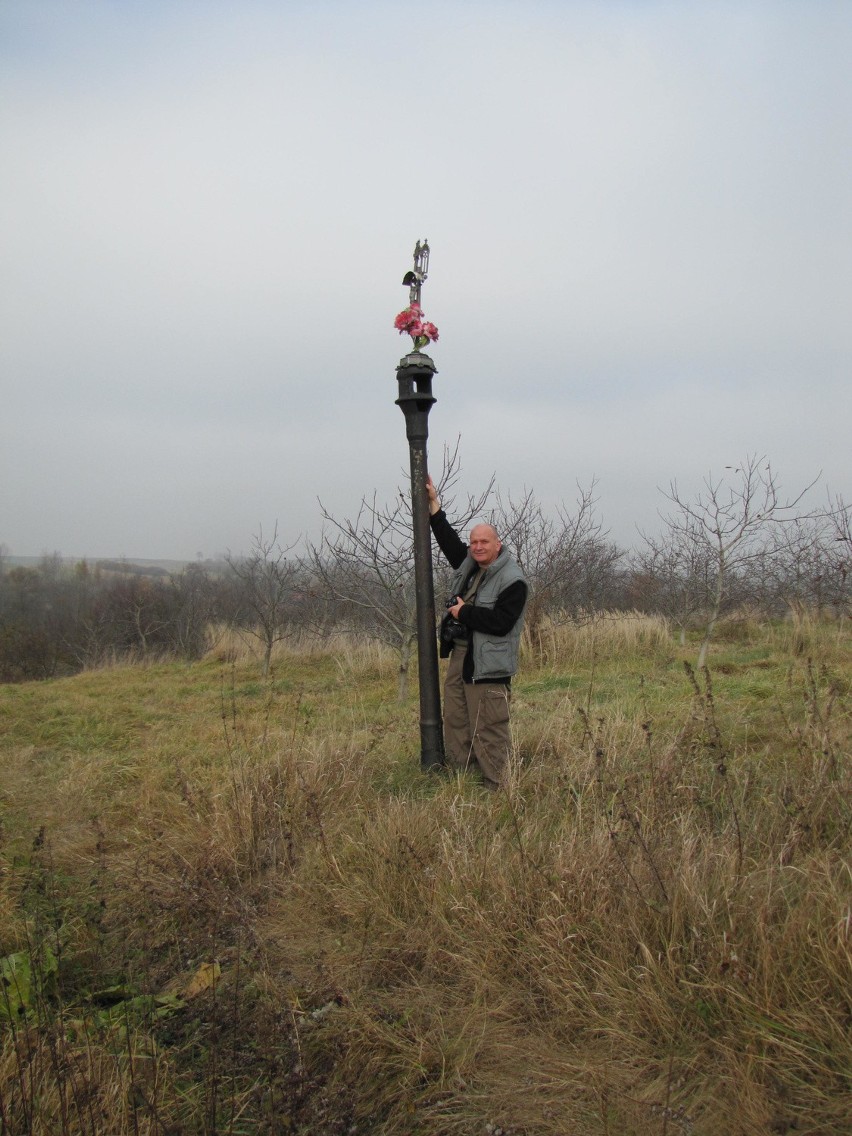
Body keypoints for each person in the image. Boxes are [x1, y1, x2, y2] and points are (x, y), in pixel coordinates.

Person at [426, 476, 528, 788]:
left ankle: (498, 783)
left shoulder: (514, 580)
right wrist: (434, 506)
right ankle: (464, 774)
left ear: (498, 544)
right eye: (474, 542)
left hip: (489, 666)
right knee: (456, 717)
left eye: (484, 542)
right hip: (462, 655)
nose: (477, 546)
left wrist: (463, 612)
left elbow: (501, 622)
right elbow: (450, 543)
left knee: (489, 725)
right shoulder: (473, 566)